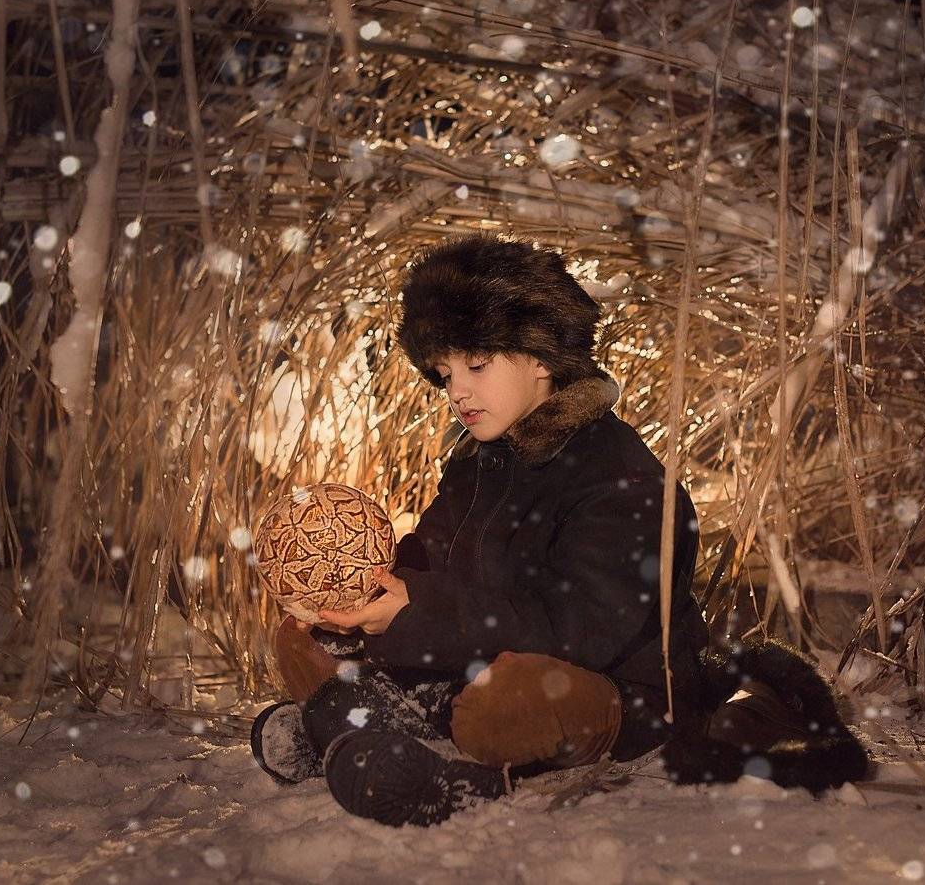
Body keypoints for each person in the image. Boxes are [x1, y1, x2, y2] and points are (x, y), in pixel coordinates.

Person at [250, 235, 867, 827]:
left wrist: (413, 615)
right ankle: (389, 723)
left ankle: (427, 758)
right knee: (300, 637)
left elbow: (577, 631)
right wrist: (360, 602)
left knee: (509, 700)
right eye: (444, 372)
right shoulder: (479, 462)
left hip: (612, 692)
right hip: (476, 662)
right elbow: (428, 559)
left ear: (543, 358)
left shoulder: (621, 479)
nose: (456, 390)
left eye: (476, 364)